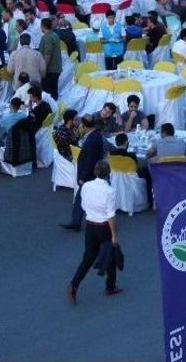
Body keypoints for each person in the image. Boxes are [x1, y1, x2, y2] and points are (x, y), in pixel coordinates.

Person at [67, 159, 122, 302]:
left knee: (87, 258)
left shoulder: (86, 186)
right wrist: (114, 235)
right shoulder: (110, 191)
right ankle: (110, 287)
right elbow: (111, 216)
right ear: (108, 173)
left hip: (90, 225)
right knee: (110, 255)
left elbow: (84, 205)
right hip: (104, 227)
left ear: (95, 172)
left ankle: (74, 283)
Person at [61, 116, 106, 231]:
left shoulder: (91, 140)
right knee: (84, 199)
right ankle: (78, 222)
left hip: (89, 175)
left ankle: (77, 222)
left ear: (84, 126)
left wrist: (83, 177)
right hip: (94, 173)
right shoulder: (96, 135)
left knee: (81, 198)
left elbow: (89, 161)